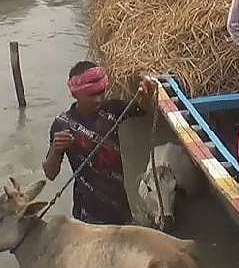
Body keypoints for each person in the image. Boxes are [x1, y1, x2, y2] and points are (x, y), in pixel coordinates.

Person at [44, 62, 156, 224]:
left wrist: (146, 94)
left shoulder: (111, 110)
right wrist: (55, 150)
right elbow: (50, 174)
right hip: (86, 214)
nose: (98, 99)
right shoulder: (63, 124)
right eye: (91, 94)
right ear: (76, 94)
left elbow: (142, 110)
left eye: (101, 92)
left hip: (119, 209)